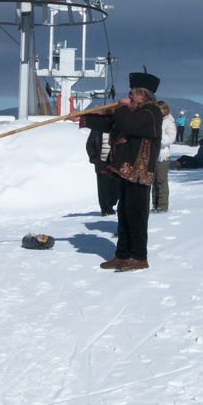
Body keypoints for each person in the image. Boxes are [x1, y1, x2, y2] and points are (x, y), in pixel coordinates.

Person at [80, 71, 163, 272]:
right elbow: (113, 124)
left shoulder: (152, 113)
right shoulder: (134, 111)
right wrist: (85, 119)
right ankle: (122, 254)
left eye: (132, 92)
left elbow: (128, 124)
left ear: (143, 95)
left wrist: (122, 108)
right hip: (126, 171)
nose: (129, 95)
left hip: (140, 173)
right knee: (124, 214)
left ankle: (139, 256)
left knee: (137, 215)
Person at [86, 130, 120, 216]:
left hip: (114, 164)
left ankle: (110, 205)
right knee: (103, 188)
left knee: (116, 188)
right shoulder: (96, 130)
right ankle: (106, 210)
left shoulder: (116, 128)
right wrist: (94, 158)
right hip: (102, 164)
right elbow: (89, 144)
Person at [153, 100, 176, 213]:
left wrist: (158, 137)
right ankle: (155, 204)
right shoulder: (155, 120)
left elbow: (171, 138)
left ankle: (162, 205)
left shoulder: (169, 122)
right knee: (153, 180)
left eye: (161, 109)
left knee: (161, 180)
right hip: (153, 154)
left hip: (163, 155)